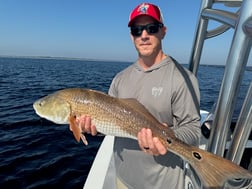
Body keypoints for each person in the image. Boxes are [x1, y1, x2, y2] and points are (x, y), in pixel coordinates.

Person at [78, 2, 201, 189]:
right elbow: (110, 124)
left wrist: (165, 138)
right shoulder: (120, 78)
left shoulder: (182, 78)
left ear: (163, 31)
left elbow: (193, 129)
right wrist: (91, 127)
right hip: (124, 180)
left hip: (164, 184)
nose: (144, 35)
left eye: (151, 28)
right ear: (131, 36)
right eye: (137, 30)